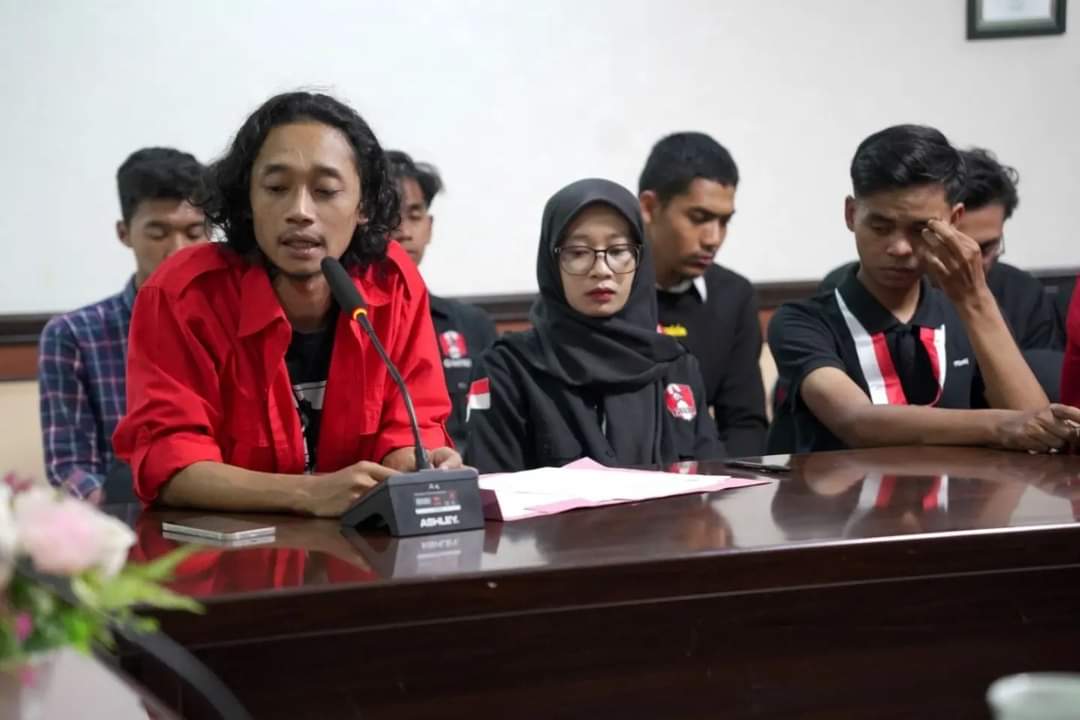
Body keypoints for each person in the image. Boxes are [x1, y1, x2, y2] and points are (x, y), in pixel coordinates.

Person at [112, 92, 461, 516]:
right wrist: (308, 494)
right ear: (248, 201)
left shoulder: (393, 282)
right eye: (276, 188)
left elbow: (414, 423)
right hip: (226, 561)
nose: (299, 211)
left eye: (326, 190)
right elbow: (170, 462)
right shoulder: (185, 294)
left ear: (363, 205)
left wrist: (412, 459)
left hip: (363, 555)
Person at [768, 124, 1080, 455]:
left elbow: (1035, 428)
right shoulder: (801, 321)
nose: (900, 247)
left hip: (956, 504)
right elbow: (854, 420)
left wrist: (975, 299)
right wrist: (999, 426)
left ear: (954, 220)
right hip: (836, 506)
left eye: (921, 229)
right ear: (851, 213)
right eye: (880, 226)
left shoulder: (970, 313)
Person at [465, 178, 722, 473]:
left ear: (640, 258)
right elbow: (496, 497)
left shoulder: (676, 365)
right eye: (578, 252)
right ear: (551, 262)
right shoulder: (508, 369)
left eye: (617, 251)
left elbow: (710, 482)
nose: (601, 270)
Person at [38, 147, 208, 501]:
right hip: (126, 522)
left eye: (194, 232)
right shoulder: (73, 335)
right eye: (158, 233)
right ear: (124, 233)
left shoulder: (230, 326)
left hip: (224, 516)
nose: (178, 251)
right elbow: (71, 468)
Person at [819, 148, 1063, 352]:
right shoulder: (851, 287)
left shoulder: (1023, 294)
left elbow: (1044, 398)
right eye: (954, 243)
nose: (971, 258)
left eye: (988, 247)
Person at [639, 132, 767, 457]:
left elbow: (744, 424)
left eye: (724, 222)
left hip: (705, 486)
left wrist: (721, 494)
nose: (713, 239)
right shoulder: (603, 290)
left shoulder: (734, 295)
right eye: (699, 219)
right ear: (649, 207)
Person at [385, 150, 498, 455]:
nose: (404, 231)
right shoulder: (353, 324)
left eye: (414, 215)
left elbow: (494, 428)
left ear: (429, 227)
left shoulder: (472, 325)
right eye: (390, 216)